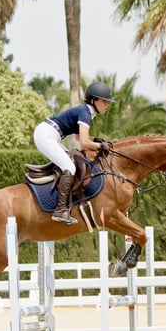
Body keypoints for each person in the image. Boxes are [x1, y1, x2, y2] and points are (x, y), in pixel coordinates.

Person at [33, 81, 115, 225]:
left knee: (72, 162)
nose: (107, 105)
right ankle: (59, 210)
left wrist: (96, 140)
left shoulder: (86, 112)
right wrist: (100, 145)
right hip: (46, 135)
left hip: (51, 135)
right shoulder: (85, 113)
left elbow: (78, 137)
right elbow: (83, 142)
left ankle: (61, 203)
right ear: (94, 100)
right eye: (104, 101)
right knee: (70, 167)